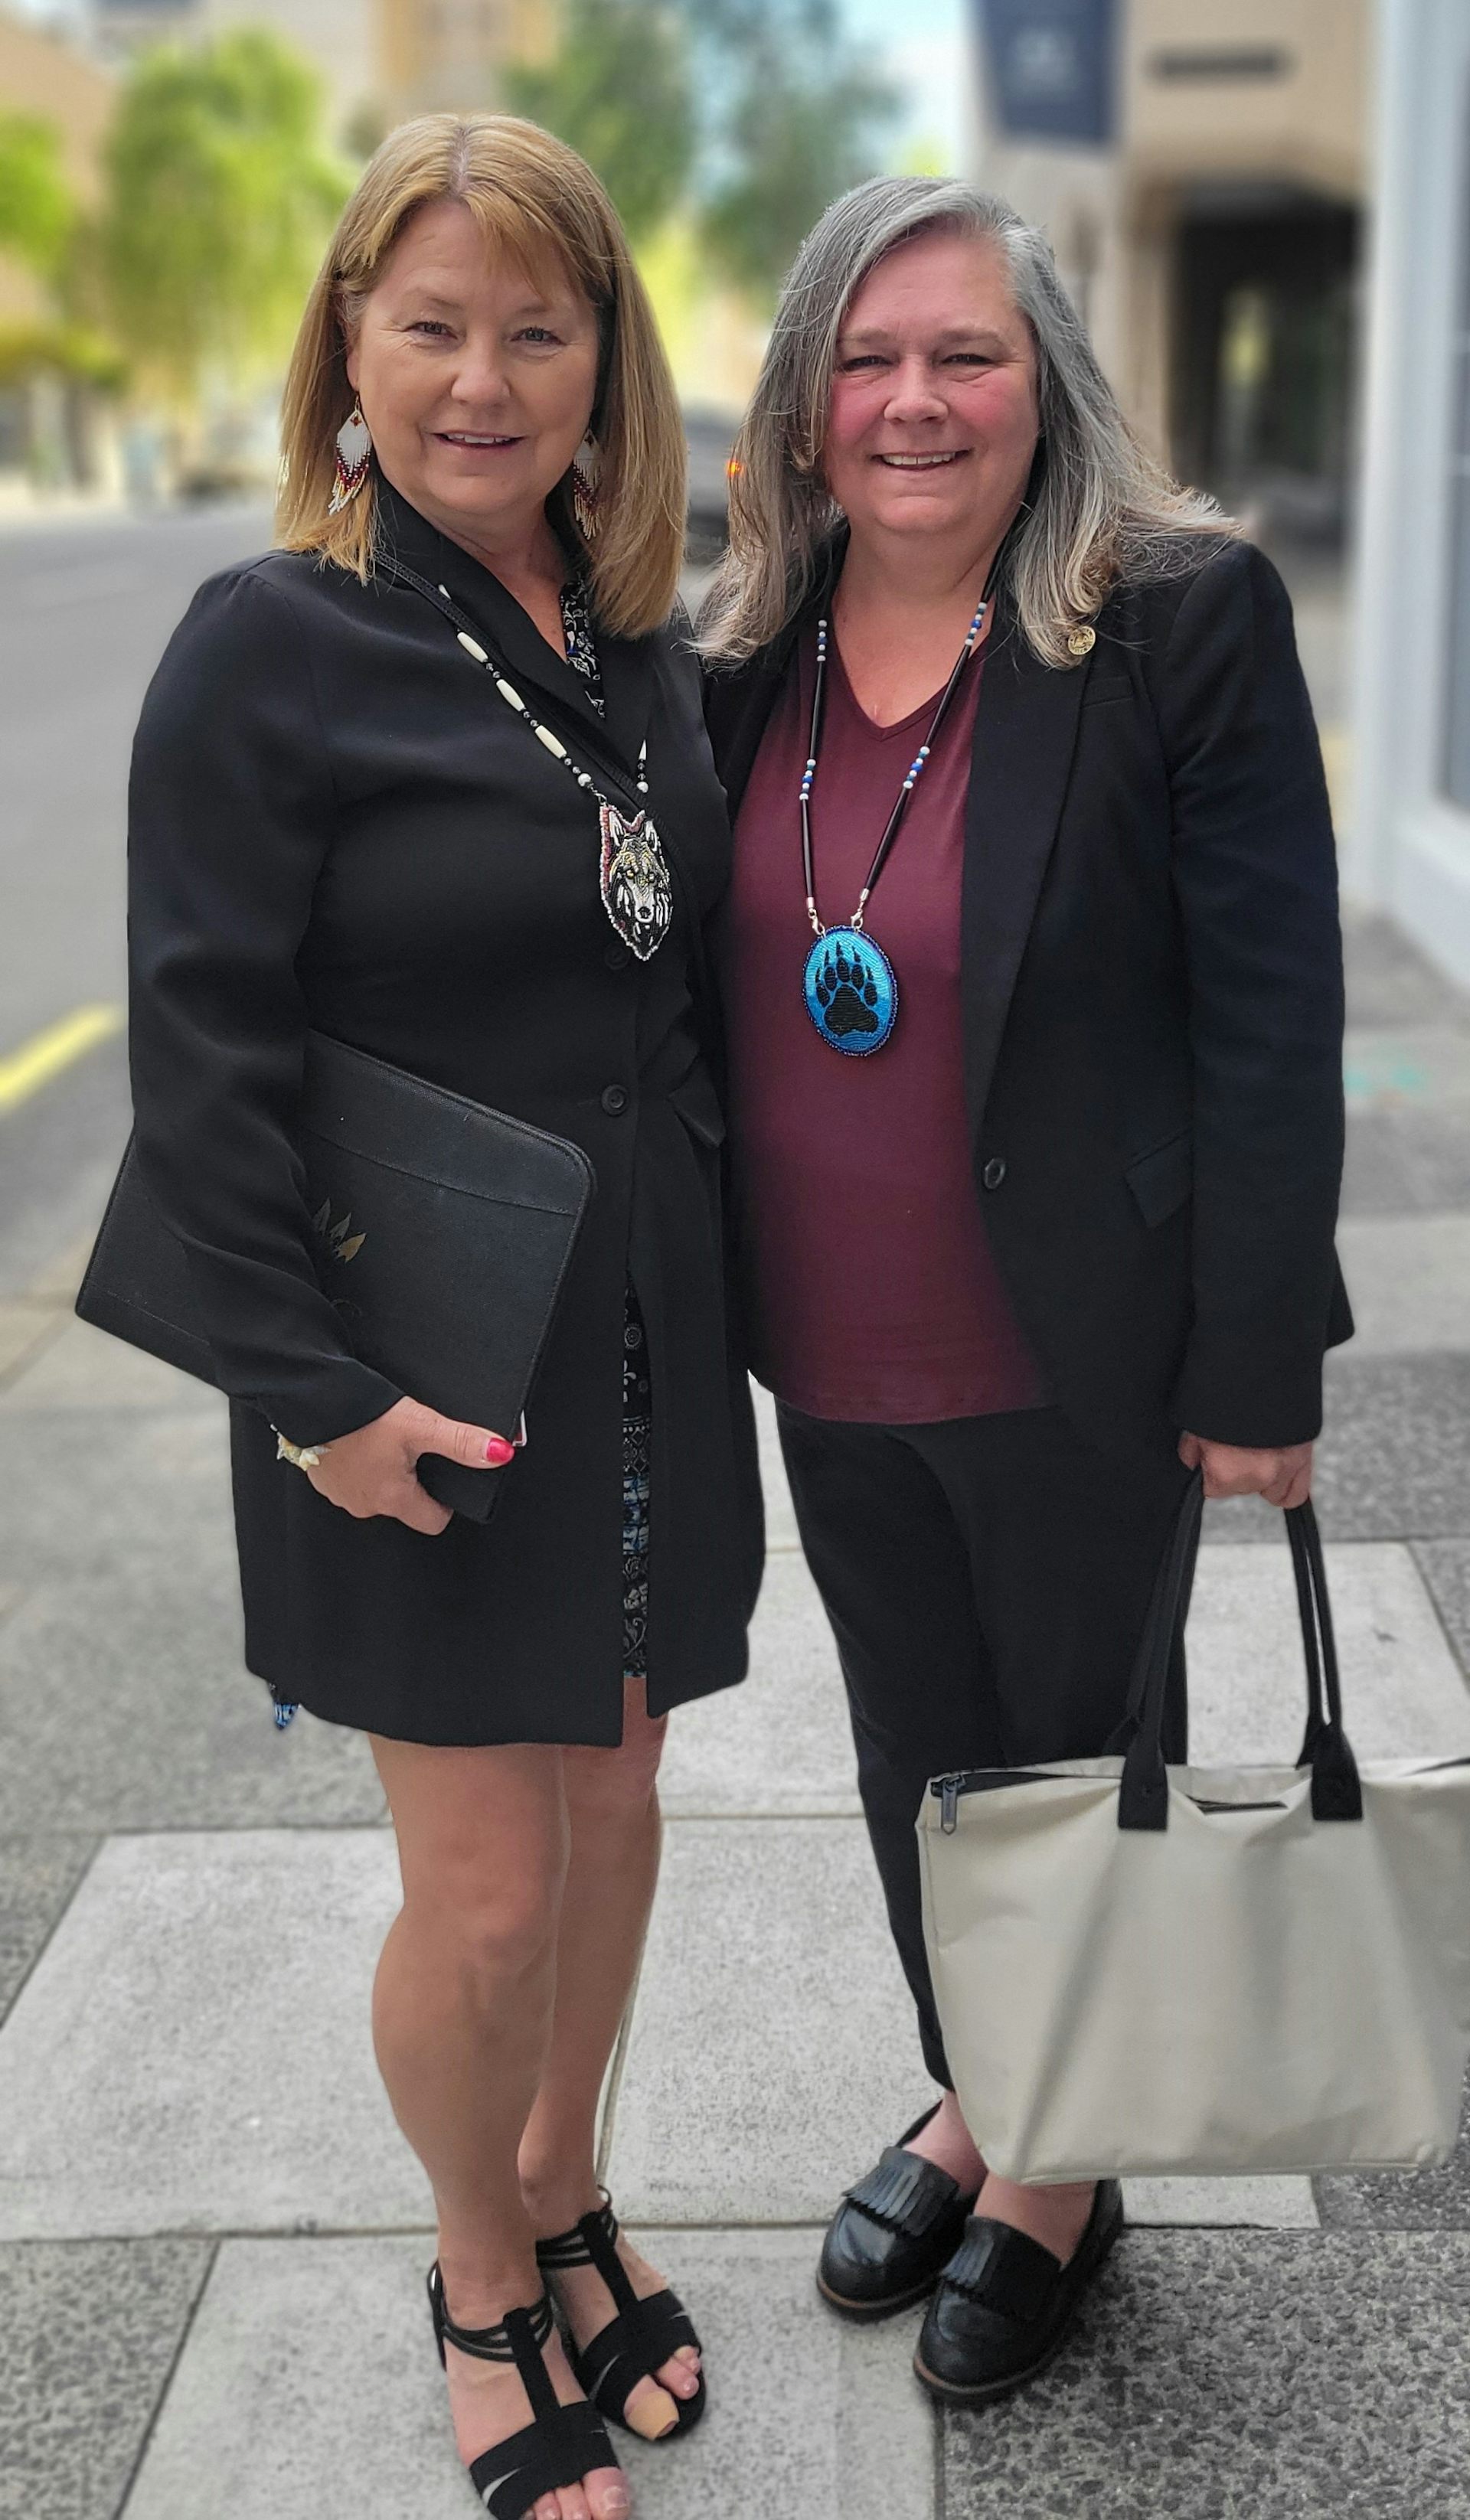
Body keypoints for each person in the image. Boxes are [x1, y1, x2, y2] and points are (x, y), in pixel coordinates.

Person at [127, 114, 761, 2520]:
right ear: (347, 351)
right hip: (397, 1376)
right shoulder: (267, 645)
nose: (481, 380)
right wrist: (312, 1400)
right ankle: (480, 2252)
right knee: (483, 1883)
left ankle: (576, 2179)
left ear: (605, 364)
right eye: (430, 325)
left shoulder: (638, 651)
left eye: (535, 326)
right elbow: (199, 1068)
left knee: (616, 1809)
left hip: (636, 1353)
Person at [703, 175, 1350, 2405]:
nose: (912, 403)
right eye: (864, 361)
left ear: (1043, 380)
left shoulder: (1176, 621)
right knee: (917, 1756)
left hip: (1089, 1334)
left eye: (962, 353)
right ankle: (976, 2084)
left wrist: (1264, 1350)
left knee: (1083, 1744)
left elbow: (1271, 1009)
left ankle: (1061, 2166)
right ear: (800, 409)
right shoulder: (734, 658)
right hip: (828, 1343)